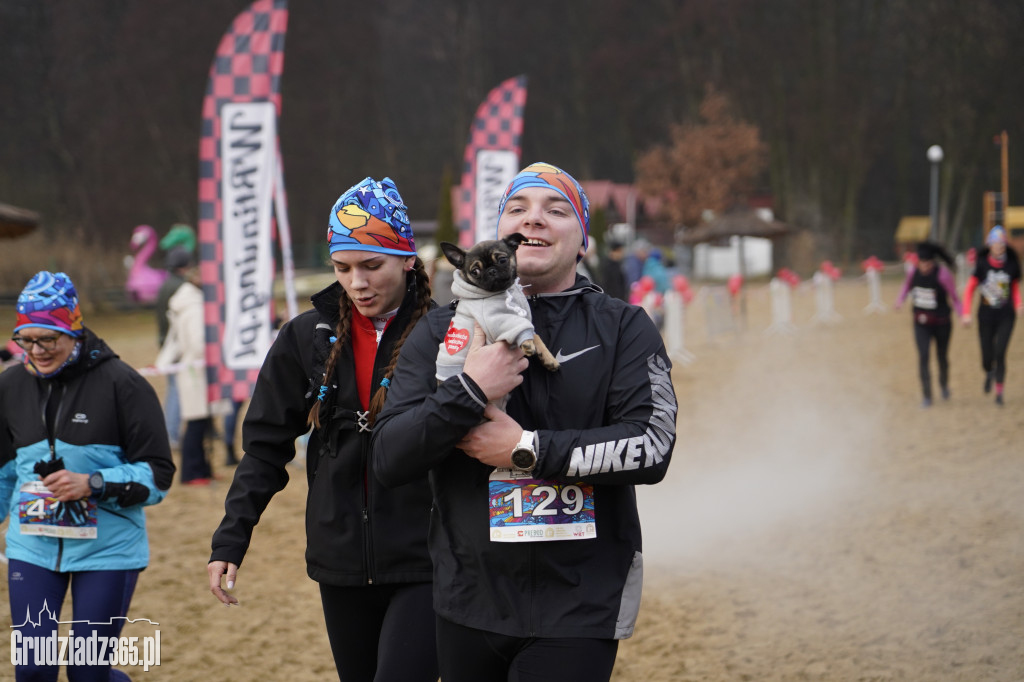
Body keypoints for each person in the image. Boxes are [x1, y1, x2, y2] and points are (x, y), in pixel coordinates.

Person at [371, 162, 678, 681]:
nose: (533, 220)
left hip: (579, 606)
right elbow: (389, 456)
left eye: (555, 210)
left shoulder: (625, 327)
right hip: (469, 600)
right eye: (517, 210)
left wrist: (528, 449)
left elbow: (652, 446)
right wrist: (467, 392)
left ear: (583, 241)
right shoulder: (440, 330)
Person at [207, 177, 438, 682]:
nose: (357, 282)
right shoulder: (303, 336)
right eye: (343, 267)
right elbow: (265, 449)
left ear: (408, 259)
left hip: (428, 561)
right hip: (338, 561)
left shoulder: (447, 333)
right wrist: (230, 540)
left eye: (372, 265)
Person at [0, 271, 175, 681]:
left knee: (88, 672)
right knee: (32, 669)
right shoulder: (10, 387)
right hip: (33, 549)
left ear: (73, 331)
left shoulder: (124, 384)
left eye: (48, 339)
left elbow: (159, 475)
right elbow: (4, 471)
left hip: (107, 551)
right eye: (26, 339)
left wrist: (93, 484)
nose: (36, 351)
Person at [156, 265, 213, 485]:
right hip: (196, 370)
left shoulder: (190, 302)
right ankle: (192, 472)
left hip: (196, 369)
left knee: (203, 422)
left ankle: (203, 468)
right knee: (196, 423)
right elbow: (197, 342)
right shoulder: (193, 306)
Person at [894, 241, 961, 407]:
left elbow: (954, 297)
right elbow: (906, 287)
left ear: (933, 262)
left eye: (927, 263)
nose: (924, 267)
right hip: (921, 323)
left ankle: (944, 385)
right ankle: (927, 395)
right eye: (921, 263)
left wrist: (962, 314)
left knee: (941, 356)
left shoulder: (943, 275)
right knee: (923, 356)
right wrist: (899, 301)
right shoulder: (913, 272)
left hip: (942, 323)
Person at [961, 225, 1023, 405]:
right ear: (989, 245)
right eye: (995, 244)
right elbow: (970, 289)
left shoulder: (1011, 265)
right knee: (987, 357)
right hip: (985, 317)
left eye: (1001, 244)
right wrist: (966, 313)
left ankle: (999, 393)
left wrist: (1019, 305)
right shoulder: (982, 264)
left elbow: (1014, 288)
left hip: (1006, 316)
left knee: (1000, 352)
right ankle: (989, 372)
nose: (999, 247)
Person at [154, 246, 192, 449]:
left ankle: (171, 432)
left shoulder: (164, 285)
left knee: (174, 389)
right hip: (178, 345)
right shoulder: (181, 288)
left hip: (166, 343)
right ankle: (171, 434)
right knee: (177, 391)